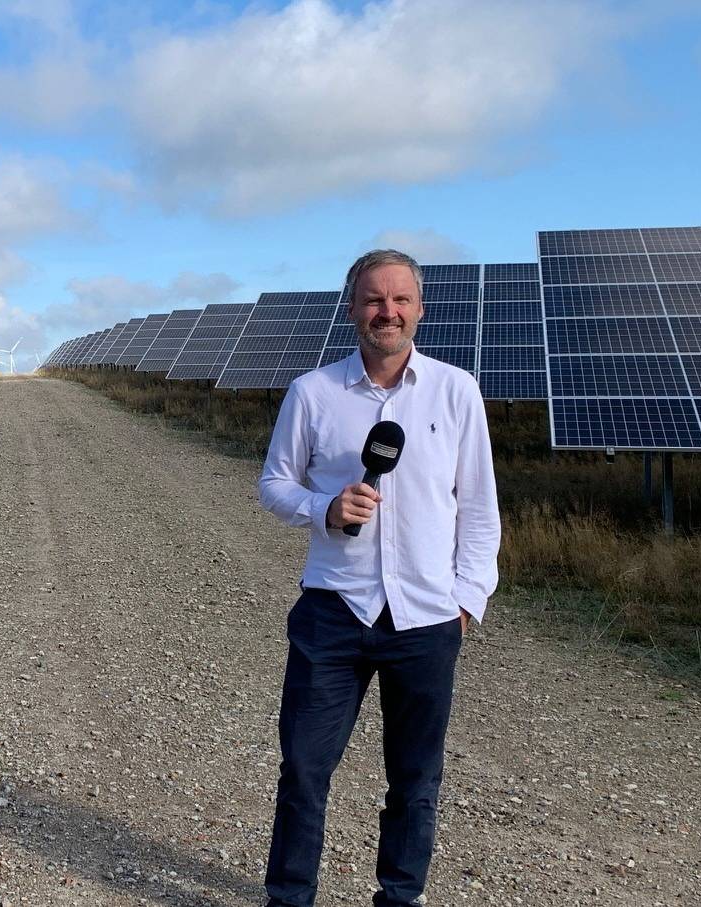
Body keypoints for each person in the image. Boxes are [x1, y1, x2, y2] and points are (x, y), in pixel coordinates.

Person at [256, 249, 501, 906]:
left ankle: (399, 895)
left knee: (415, 780)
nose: (386, 311)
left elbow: (479, 507)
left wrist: (466, 600)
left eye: (399, 299)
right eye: (373, 299)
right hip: (333, 611)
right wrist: (324, 508)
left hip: (427, 618)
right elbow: (275, 483)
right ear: (352, 309)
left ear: (419, 309)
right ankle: (289, 896)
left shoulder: (456, 390)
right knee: (304, 769)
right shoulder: (313, 393)